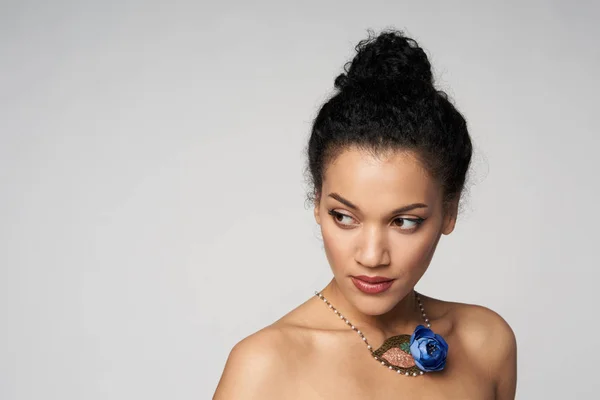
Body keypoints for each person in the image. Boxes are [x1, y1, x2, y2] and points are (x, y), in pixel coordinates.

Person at [213, 29, 517, 399]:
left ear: (449, 212)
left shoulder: (485, 342)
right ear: (317, 203)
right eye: (344, 216)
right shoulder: (264, 366)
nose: (372, 256)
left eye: (404, 221)